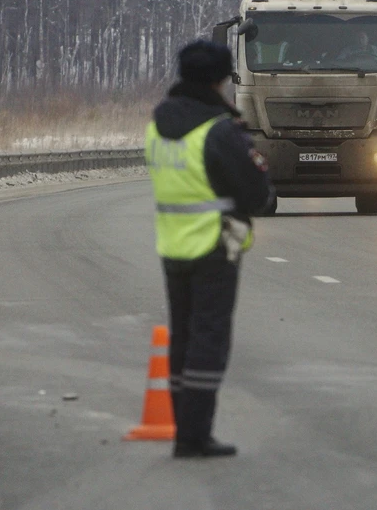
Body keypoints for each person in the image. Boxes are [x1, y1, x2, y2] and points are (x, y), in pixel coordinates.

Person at [145, 39, 274, 458]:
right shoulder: (216, 130)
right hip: (214, 246)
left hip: (172, 246)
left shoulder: (158, 125)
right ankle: (195, 435)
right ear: (220, 80)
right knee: (209, 340)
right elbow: (257, 195)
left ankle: (185, 426)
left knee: (182, 338)